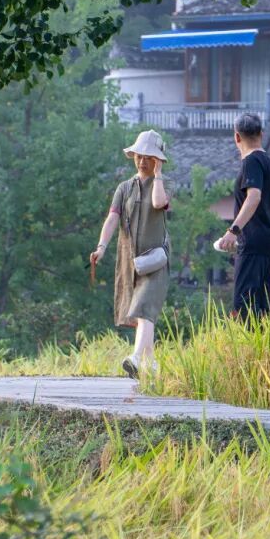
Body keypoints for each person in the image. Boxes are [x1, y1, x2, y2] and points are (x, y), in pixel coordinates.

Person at [91, 129, 171, 377]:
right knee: (141, 313)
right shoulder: (124, 188)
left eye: (149, 157)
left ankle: (135, 358)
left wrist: (158, 175)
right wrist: (101, 247)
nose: (142, 161)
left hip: (155, 261)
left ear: (157, 160)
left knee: (144, 307)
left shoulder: (163, 185)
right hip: (130, 260)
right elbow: (112, 218)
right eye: (139, 156)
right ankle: (150, 364)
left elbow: (158, 203)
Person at [215, 113, 270, 320]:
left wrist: (233, 231)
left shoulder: (251, 161)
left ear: (237, 137)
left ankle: (244, 342)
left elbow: (254, 197)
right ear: (262, 133)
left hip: (253, 243)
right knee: (261, 308)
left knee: (243, 307)